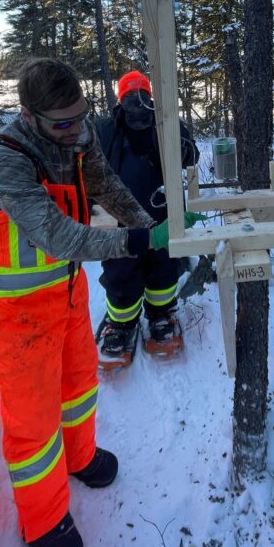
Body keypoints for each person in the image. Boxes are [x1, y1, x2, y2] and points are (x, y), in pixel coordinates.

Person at [0, 58, 201, 547]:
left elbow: (108, 188)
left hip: (67, 295)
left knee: (78, 389)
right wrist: (139, 240)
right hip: (15, 315)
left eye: (82, 116)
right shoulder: (3, 160)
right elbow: (59, 236)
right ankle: (44, 521)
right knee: (33, 423)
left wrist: (153, 227)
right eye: (63, 122)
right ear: (30, 116)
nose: (77, 130)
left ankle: (80, 456)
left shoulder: (77, 138)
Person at [94, 70, 199, 365]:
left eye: (141, 95)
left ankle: (160, 314)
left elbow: (192, 158)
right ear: (120, 99)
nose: (136, 103)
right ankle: (122, 324)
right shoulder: (106, 129)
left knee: (162, 268)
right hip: (118, 217)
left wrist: (180, 140)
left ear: (151, 97)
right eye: (130, 96)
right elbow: (89, 166)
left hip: (161, 214)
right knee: (120, 271)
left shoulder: (167, 125)